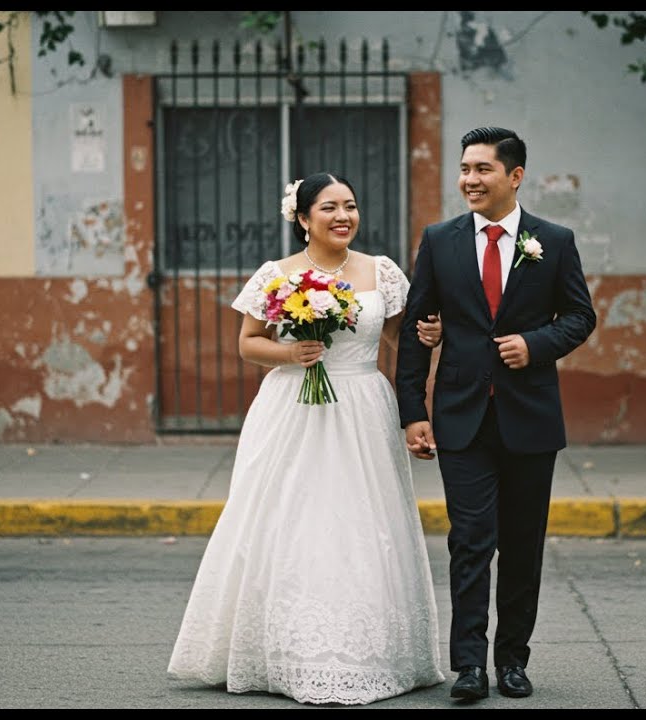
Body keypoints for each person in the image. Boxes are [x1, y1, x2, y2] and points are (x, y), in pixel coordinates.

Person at [167, 172, 446, 705]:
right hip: (292, 408)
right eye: (329, 208)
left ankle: (366, 650)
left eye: (351, 206)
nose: (343, 217)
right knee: (291, 521)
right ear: (302, 219)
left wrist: (428, 333)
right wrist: (291, 354)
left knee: (362, 524)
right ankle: (286, 650)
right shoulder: (277, 275)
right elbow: (249, 344)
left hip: (362, 406)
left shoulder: (380, 271)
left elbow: (399, 336)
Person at [395, 127, 597, 702]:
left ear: (514, 176)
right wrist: (413, 410)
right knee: (471, 540)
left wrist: (535, 344)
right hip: (461, 418)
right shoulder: (440, 240)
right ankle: (468, 667)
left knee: (523, 545)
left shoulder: (553, 242)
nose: (469, 180)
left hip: (530, 417)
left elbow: (580, 317)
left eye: (482, 169)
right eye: (464, 169)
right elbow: (417, 327)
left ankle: (512, 661)